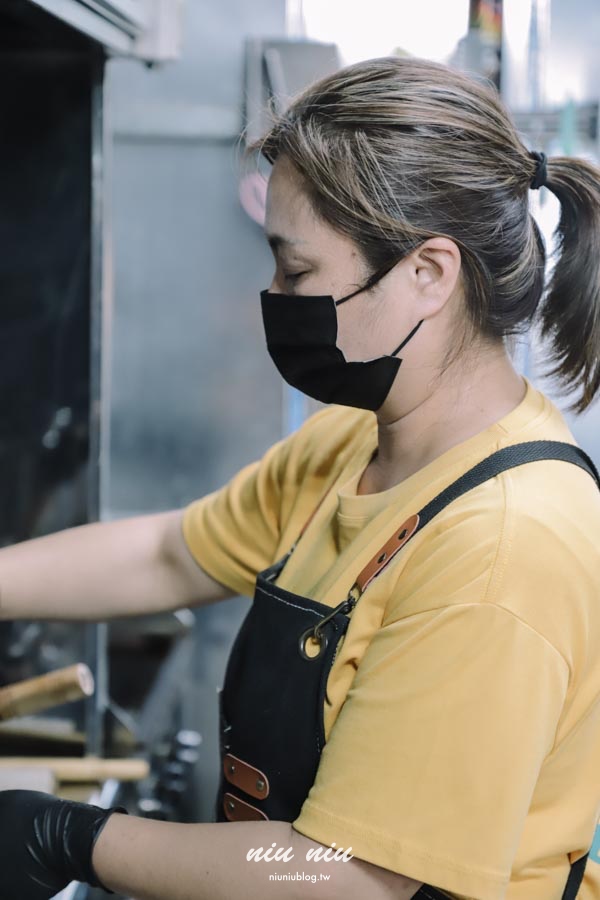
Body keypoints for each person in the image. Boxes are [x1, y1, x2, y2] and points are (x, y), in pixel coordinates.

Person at [1, 54, 600, 900]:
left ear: (427, 275)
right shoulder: (354, 443)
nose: (275, 294)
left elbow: (350, 876)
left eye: (298, 271)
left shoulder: (503, 548)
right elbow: (171, 555)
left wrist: (72, 837)